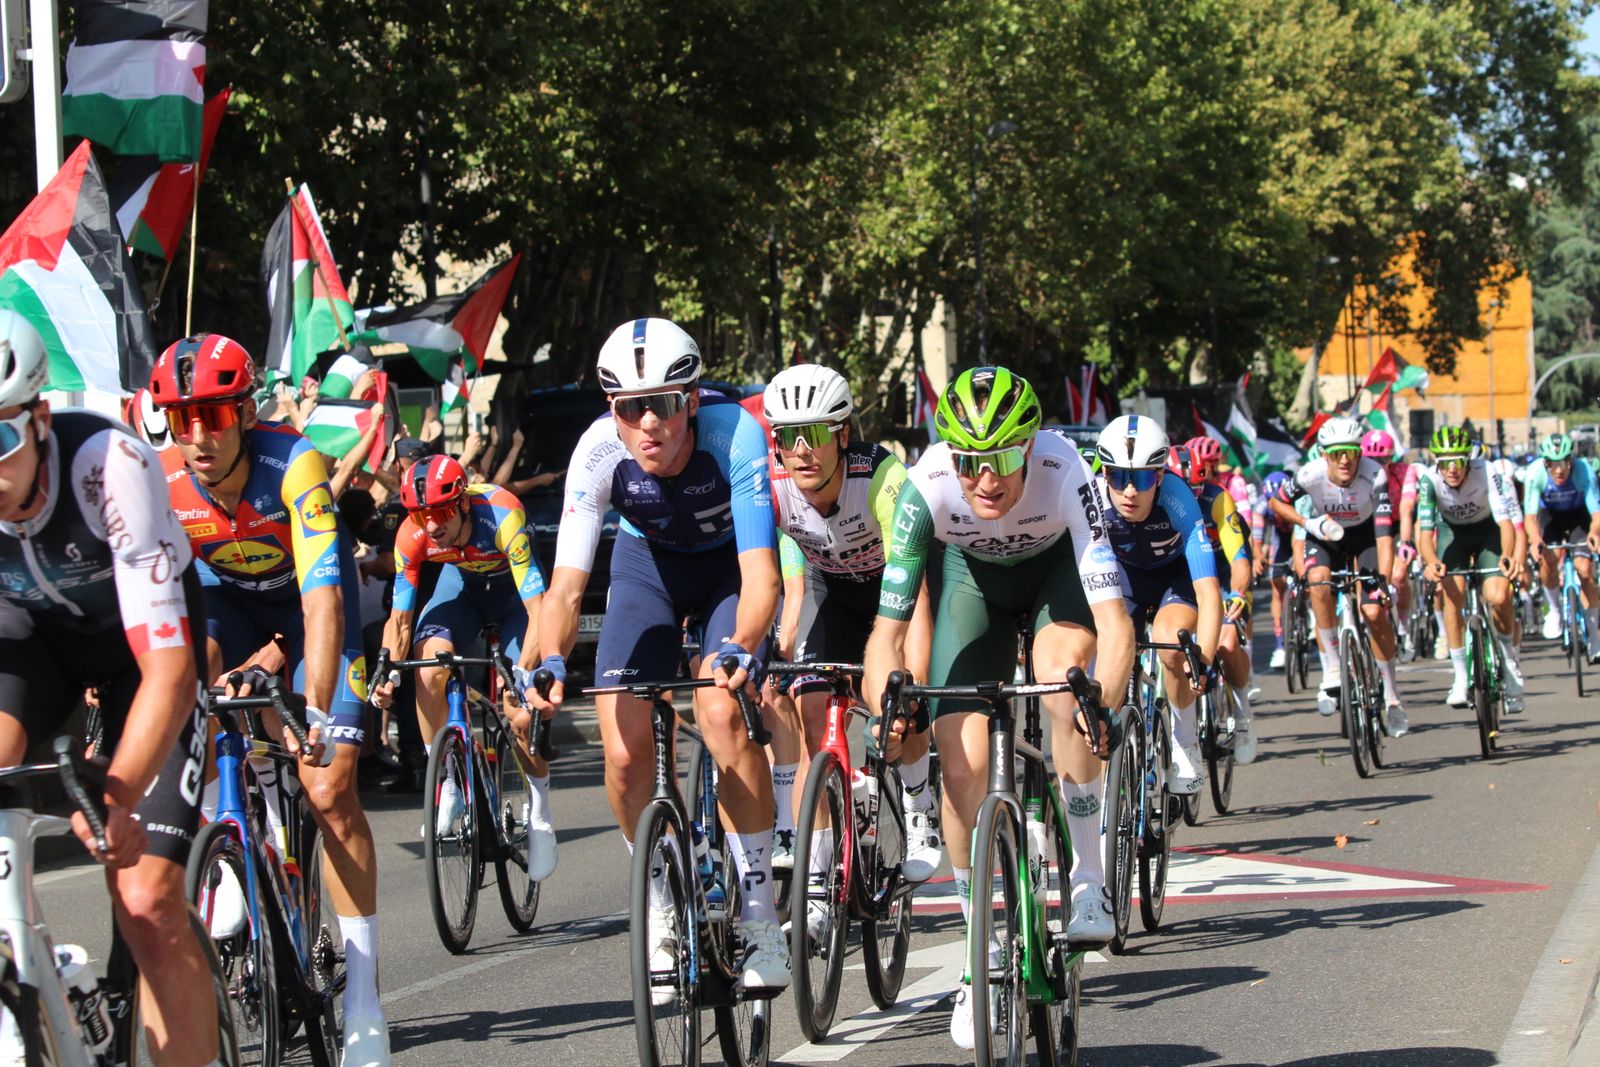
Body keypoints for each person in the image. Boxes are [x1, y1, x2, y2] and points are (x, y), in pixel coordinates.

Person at [861, 367, 1133, 1051]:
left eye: (1005, 459)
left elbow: (1115, 621)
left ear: (1031, 446)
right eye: (971, 461)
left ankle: (1089, 880)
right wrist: (884, 710)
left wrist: (1105, 705)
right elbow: (885, 638)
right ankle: (977, 942)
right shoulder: (927, 488)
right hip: (971, 584)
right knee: (963, 762)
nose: (987, 478)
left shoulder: (1066, 469)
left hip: (1054, 580)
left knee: (1064, 682)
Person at [147, 333, 388, 1064]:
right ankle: (230, 838)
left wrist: (312, 711)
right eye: (180, 417)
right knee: (190, 678)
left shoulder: (295, 464)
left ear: (246, 412)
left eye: (214, 416)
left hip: (313, 609)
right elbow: (153, 608)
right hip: (230, 609)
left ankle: (363, 995)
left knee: (328, 785)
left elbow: (321, 608)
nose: (197, 437)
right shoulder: (161, 480)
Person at [532, 317, 790, 994]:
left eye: (664, 404)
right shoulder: (597, 455)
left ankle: (761, 916)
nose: (648, 423)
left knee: (720, 711)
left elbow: (762, 576)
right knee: (622, 750)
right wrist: (551, 659)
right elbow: (565, 588)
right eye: (628, 408)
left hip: (729, 572)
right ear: (610, 411)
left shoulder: (736, 435)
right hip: (649, 569)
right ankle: (659, 896)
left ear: (693, 401)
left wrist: (743, 643)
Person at [0, 311, 223, 1066]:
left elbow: (170, 670)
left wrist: (117, 795)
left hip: (143, 657)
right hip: (33, 652)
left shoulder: (107, 464)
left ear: (36, 418)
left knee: (145, 900)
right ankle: (25, 966)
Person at [760, 364, 940, 900]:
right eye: (787, 437)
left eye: (814, 434)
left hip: (895, 592)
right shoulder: (772, 484)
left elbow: (919, 596)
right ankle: (819, 873)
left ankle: (918, 803)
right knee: (809, 706)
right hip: (830, 589)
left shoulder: (884, 481)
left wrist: (916, 691)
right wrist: (789, 623)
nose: (801, 450)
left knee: (900, 698)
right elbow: (790, 549)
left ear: (842, 434)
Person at [368, 455, 557, 878]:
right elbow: (399, 620)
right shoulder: (411, 534)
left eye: (441, 512)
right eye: (421, 514)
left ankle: (541, 809)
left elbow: (538, 607)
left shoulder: (503, 512)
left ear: (463, 504)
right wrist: (386, 672)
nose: (431, 524)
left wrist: (522, 672)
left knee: (519, 712)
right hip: (465, 589)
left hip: (514, 596)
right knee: (428, 670)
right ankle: (449, 780)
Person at [1099, 419, 1223, 797]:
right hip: (1124, 579)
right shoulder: (1091, 496)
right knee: (1110, 659)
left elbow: (1209, 592)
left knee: (1172, 645)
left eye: (1142, 479)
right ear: (1104, 472)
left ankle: (1185, 740)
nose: (1129, 491)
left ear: (1160, 475)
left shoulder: (1178, 498)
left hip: (1174, 578)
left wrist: (1204, 656)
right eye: (1118, 477)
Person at [1270, 416, 1405, 737]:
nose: (1344, 460)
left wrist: (1383, 581)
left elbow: (1385, 538)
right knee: (1318, 583)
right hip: (1325, 532)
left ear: (1360, 452)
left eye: (1350, 452)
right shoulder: (1309, 474)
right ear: (1323, 454)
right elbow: (1276, 501)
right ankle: (1332, 664)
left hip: (1365, 537)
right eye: (1335, 453)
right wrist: (1306, 523)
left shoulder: (1376, 476)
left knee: (1373, 610)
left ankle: (1392, 696)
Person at [1414, 426, 1526, 710]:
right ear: (1436, 462)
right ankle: (1461, 678)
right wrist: (1430, 562)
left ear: (1468, 460)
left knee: (1499, 596)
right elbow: (1425, 533)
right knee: (1451, 596)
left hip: (1488, 531)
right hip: (1452, 534)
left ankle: (1510, 662)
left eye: (1458, 462)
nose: (1452, 469)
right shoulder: (1428, 480)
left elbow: (1506, 523)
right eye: (1445, 463)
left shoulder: (1488, 471)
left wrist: (1509, 556)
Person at [1170, 444, 1257, 763]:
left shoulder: (1217, 498)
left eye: (1194, 490)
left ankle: (1243, 714)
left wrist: (1238, 592)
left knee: (1228, 642)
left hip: (1220, 576)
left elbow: (1239, 558)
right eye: (1181, 490)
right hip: (1181, 578)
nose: (1188, 499)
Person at [1522, 433, 1600, 660]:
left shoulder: (1583, 471)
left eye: (1564, 463)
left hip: (1579, 517)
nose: (1559, 470)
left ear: (1572, 461)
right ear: (1544, 463)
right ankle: (1554, 609)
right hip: (1551, 518)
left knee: (1584, 570)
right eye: (1552, 464)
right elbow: (1530, 517)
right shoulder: (1535, 473)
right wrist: (1536, 539)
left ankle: (1595, 638)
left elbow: (1596, 513)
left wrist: (1594, 533)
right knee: (1548, 558)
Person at [1251, 470, 1295, 669]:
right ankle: (1280, 647)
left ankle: (1309, 611)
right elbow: (1257, 537)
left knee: (1310, 579)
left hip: (1300, 534)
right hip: (1279, 539)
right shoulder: (1261, 505)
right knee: (1277, 586)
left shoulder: (1300, 499)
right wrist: (1258, 557)